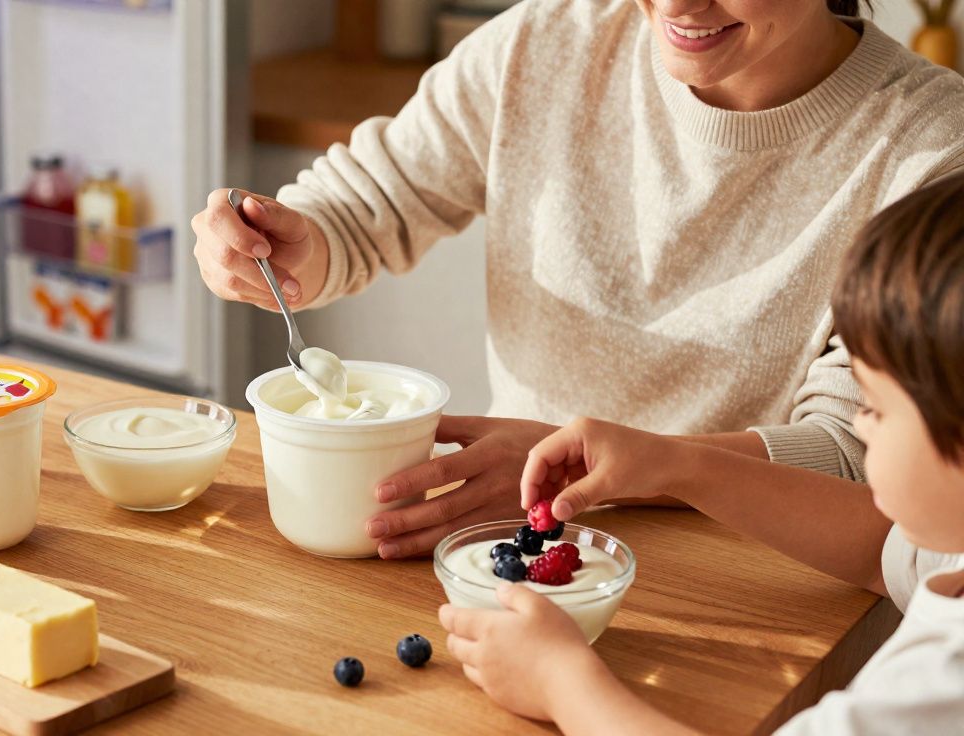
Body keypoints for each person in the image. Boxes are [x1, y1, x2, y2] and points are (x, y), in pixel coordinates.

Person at [192, 0, 964, 559]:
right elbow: (368, 205)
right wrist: (284, 245)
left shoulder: (933, 151)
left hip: (752, 572)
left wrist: (598, 473)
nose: (679, 4)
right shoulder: (544, 42)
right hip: (506, 547)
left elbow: (852, 461)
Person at [439, 174, 964, 733]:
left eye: (878, 407)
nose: (860, 421)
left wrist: (564, 685)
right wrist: (672, 464)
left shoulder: (942, 681)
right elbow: (878, 547)